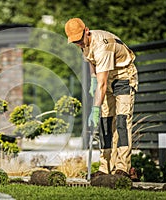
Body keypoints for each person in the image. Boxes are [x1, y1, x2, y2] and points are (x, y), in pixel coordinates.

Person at [65, 18, 138, 178]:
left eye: (79, 40)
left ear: (87, 31)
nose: (79, 44)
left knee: (121, 121)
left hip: (123, 77)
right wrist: (92, 78)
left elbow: (102, 84)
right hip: (106, 77)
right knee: (105, 122)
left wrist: (95, 109)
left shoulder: (102, 46)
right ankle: (105, 168)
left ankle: (123, 168)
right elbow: (91, 61)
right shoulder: (83, 43)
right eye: (75, 42)